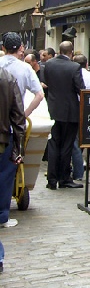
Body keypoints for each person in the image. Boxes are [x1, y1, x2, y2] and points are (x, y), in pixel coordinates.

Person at [0, 33, 44, 227]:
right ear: (20, 47)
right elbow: (39, 95)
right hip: (10, 127)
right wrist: (23, 114)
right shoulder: (24, 68)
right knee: (6, 172)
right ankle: (2, 215)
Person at [41, 41, 84, 189]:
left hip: (53, 109)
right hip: (70, 112)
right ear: (71, 52)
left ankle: (51, 180)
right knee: (66, 145)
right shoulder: (74, 67)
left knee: (53, 144)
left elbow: (46, 82)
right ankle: (64, 178)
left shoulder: (49, 64)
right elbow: (81, 89)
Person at [0, 65, 25, 263]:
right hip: (3, 140)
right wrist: (18, 147)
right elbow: (18, 115)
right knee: (4, 180)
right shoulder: (7, 77)